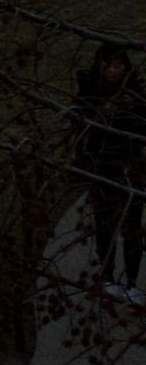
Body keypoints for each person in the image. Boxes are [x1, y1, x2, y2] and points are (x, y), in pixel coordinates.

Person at [71, 41, 146, 299]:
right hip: (101, 168)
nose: (113, 71)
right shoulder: (89, 93)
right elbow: (80, 128)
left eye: (118, 66)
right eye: (108, 66)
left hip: (131, 167)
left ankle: (133, 284)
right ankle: (107, 278)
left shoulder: (135, 94)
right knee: (105, 225)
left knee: (133, 226)